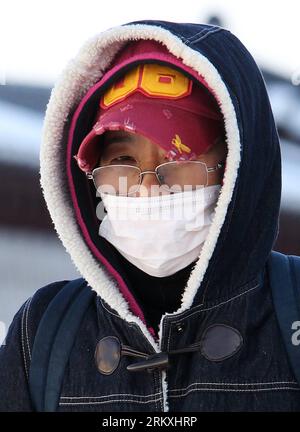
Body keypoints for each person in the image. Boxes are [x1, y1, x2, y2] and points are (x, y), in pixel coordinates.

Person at [0, 19, 299, 412]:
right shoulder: (42, 333)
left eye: (179, 157)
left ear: (237, 170)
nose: (146, 189)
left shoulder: (290, 311)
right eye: (123, 159)